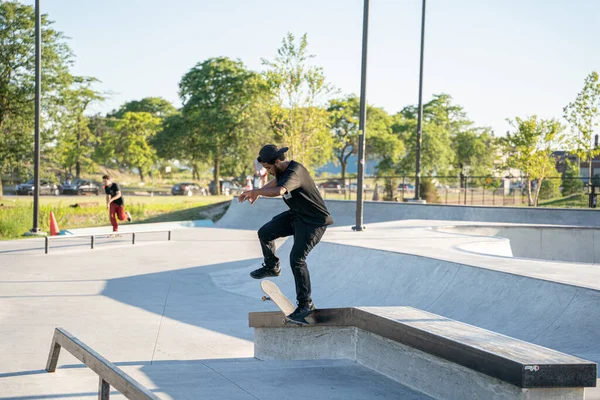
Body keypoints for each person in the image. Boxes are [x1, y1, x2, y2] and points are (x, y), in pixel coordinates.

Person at [238, 144, 333, 324]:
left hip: (314, 222)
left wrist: (258, 191)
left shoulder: (295, 172)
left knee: (297, 259)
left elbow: (280, 189)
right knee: (265, 232)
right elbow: (274, 183)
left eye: (268, 168)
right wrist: (256, 192)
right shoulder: (281, 171)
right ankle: (272, 266)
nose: (269, 172)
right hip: (297, 216)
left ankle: (306, 305)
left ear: (278, 162)